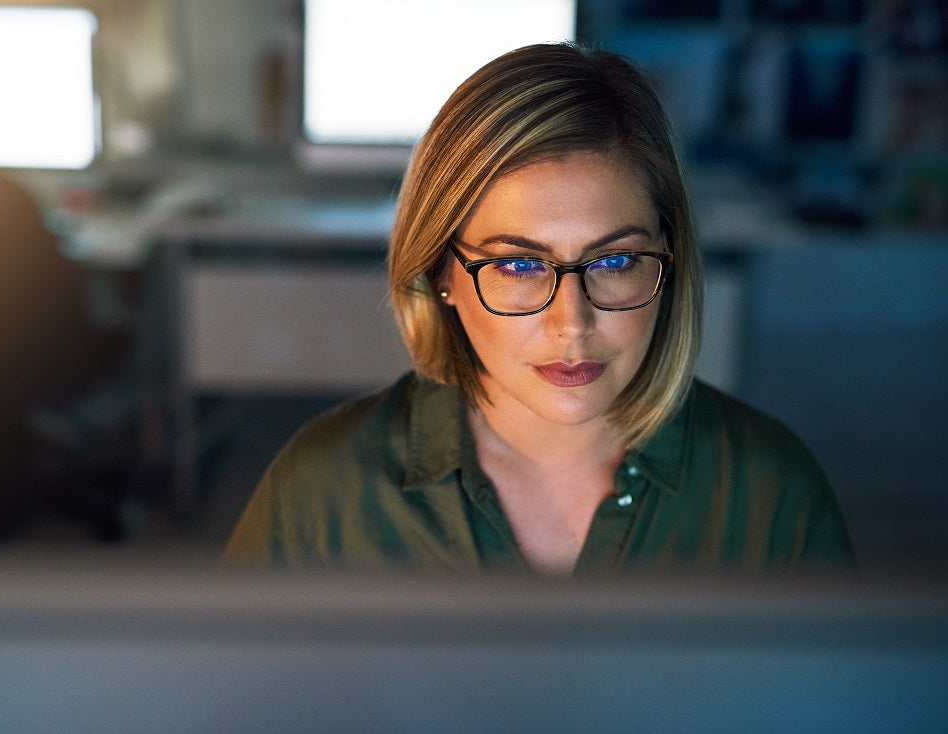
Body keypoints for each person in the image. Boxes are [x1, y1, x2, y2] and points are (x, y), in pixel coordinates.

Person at [221, 43, 854, 575]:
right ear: (441, 271)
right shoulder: (322, 491)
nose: (572, 323)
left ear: (670, 257)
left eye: (613, 262)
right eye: (519, 266)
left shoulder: (772, 493)